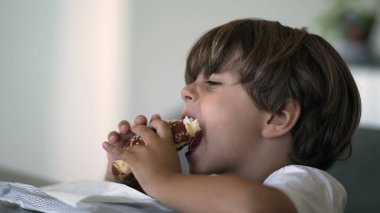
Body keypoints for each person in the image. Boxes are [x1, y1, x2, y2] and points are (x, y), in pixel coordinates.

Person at [102, 18, 361, 212]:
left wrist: (163, 180)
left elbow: (251, 206)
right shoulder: (211, 188)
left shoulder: (310, 185)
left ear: (277, 117)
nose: (186, 91)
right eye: (191, 80)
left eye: (212, 83)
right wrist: (131, 181)